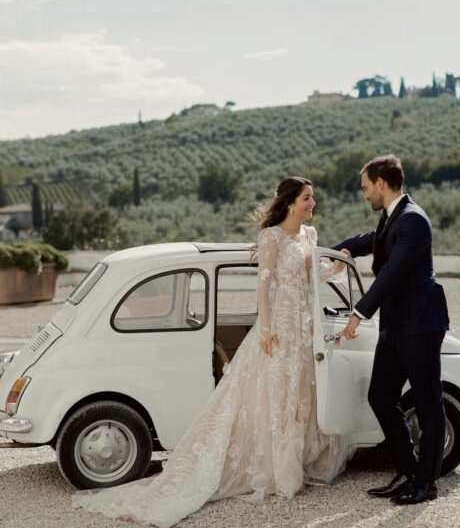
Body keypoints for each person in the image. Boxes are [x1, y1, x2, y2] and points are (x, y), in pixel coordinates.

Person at [72, 176, 350, 527]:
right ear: (291, 202)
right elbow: (264, 284)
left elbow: (310, 277)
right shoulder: (272, 236)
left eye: (312, 198)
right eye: (308, 198)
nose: (313, 203)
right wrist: (265, 328)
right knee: (277, 396)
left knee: (301, 397)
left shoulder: (309, 235)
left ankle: (298, 463)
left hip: (306, 327)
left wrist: (335, 268)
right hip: (280, 326)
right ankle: (281, 472)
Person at [334, 154, 449, 505]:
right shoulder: (392, 217)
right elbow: (370, 240)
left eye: (366, 187)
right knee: (381, 397)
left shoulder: (414, 219)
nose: (364, 194)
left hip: (420, 324)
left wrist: (358, 313)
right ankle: (409, 470)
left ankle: (426, 482)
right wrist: (333, 250)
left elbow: (392, 274)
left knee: (428, 405)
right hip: (396, 327)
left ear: (381, 183)